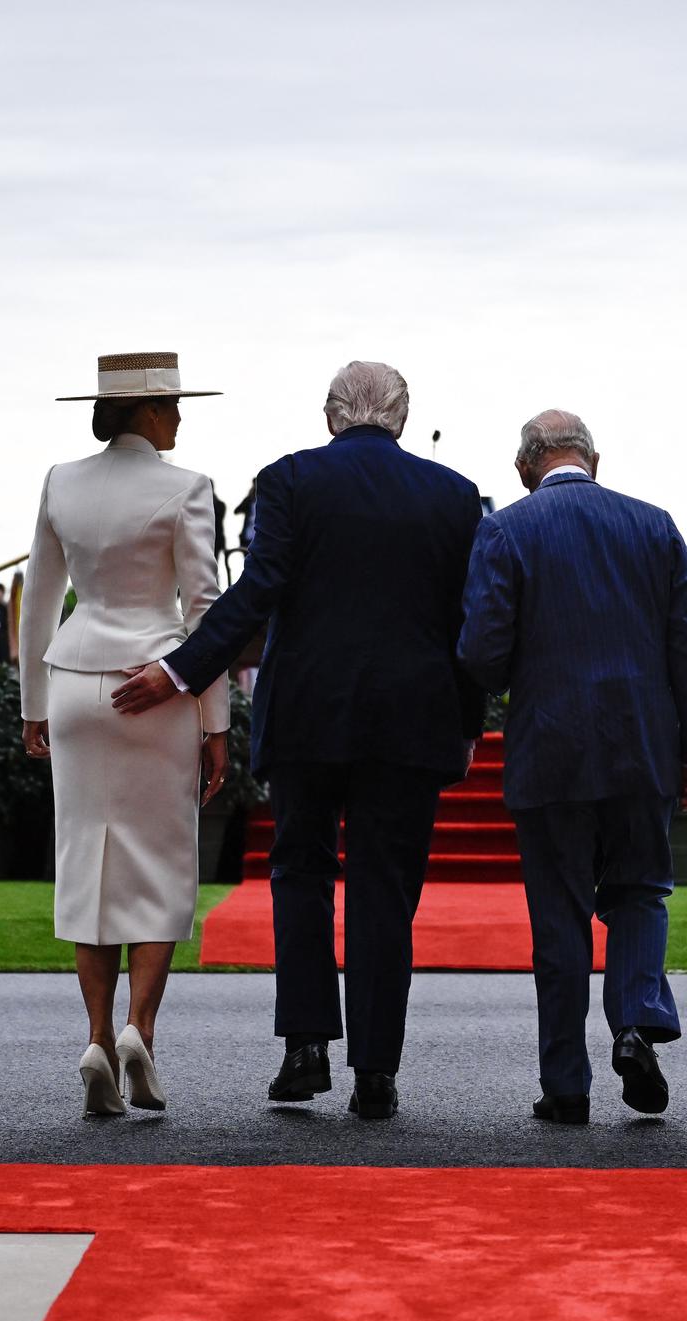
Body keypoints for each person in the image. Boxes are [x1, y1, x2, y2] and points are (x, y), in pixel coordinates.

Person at [112, 360, 485, 1121]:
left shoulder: (287, 480)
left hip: (311, 713)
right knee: (386, 893)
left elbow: (259, 589)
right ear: (402, 419)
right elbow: (468, 623)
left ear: (329, 416)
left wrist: (181, 670)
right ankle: (376, 1071)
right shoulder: (453, 496)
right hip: (412, 721)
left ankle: (306, 1048)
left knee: (301, 876)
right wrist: (469, 721)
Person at [459, 411, 687, 1125]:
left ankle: (566, 1085)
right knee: (640, 891)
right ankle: (636, 1019)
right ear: (594, 461)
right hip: (642, 743)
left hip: (550, 747)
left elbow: (482, 652)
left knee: (560, 917)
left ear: (524, 468)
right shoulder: (654, 525)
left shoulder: (507, 530)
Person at [18, 351, 230, 1118]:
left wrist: (31, 704)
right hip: (157, 687)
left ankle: (97, 1038)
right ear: (146, 413)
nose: (178, 415)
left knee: (87, 866)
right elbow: (206, 611)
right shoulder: (187, 489)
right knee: (161, 862)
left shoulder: (60, 481)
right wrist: (215, 722)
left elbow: (38, 598)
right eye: (171, 403)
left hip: (74, 681)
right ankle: (141, 1029)